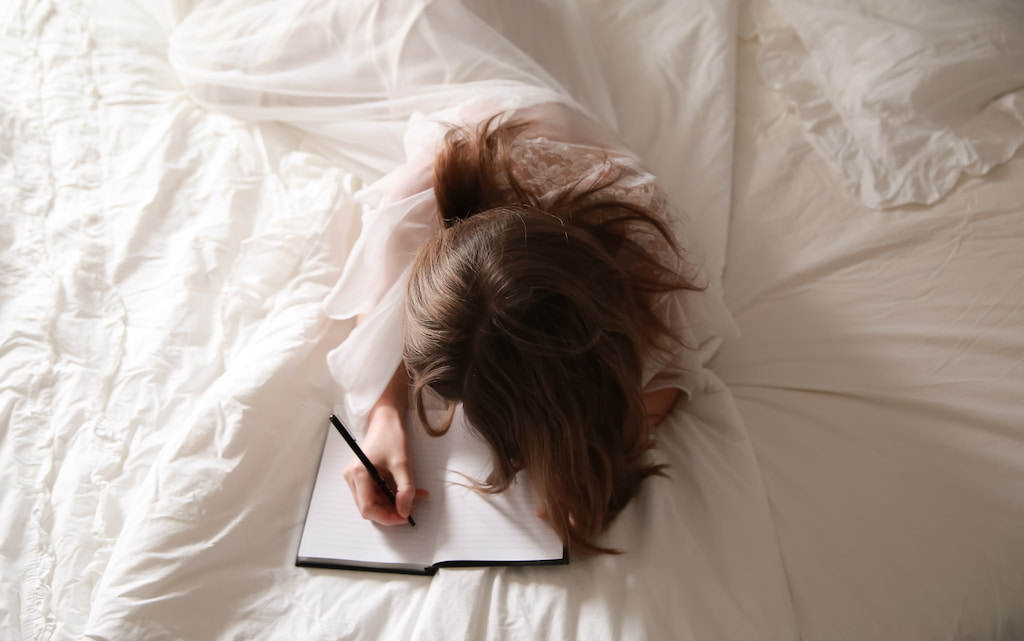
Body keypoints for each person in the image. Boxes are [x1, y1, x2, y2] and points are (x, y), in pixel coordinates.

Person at [337, 104, 705, 555]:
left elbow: (675, 369)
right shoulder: (418, 203)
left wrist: (600, 455)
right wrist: (384, 417)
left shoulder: (647, 256)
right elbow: (371, 298)